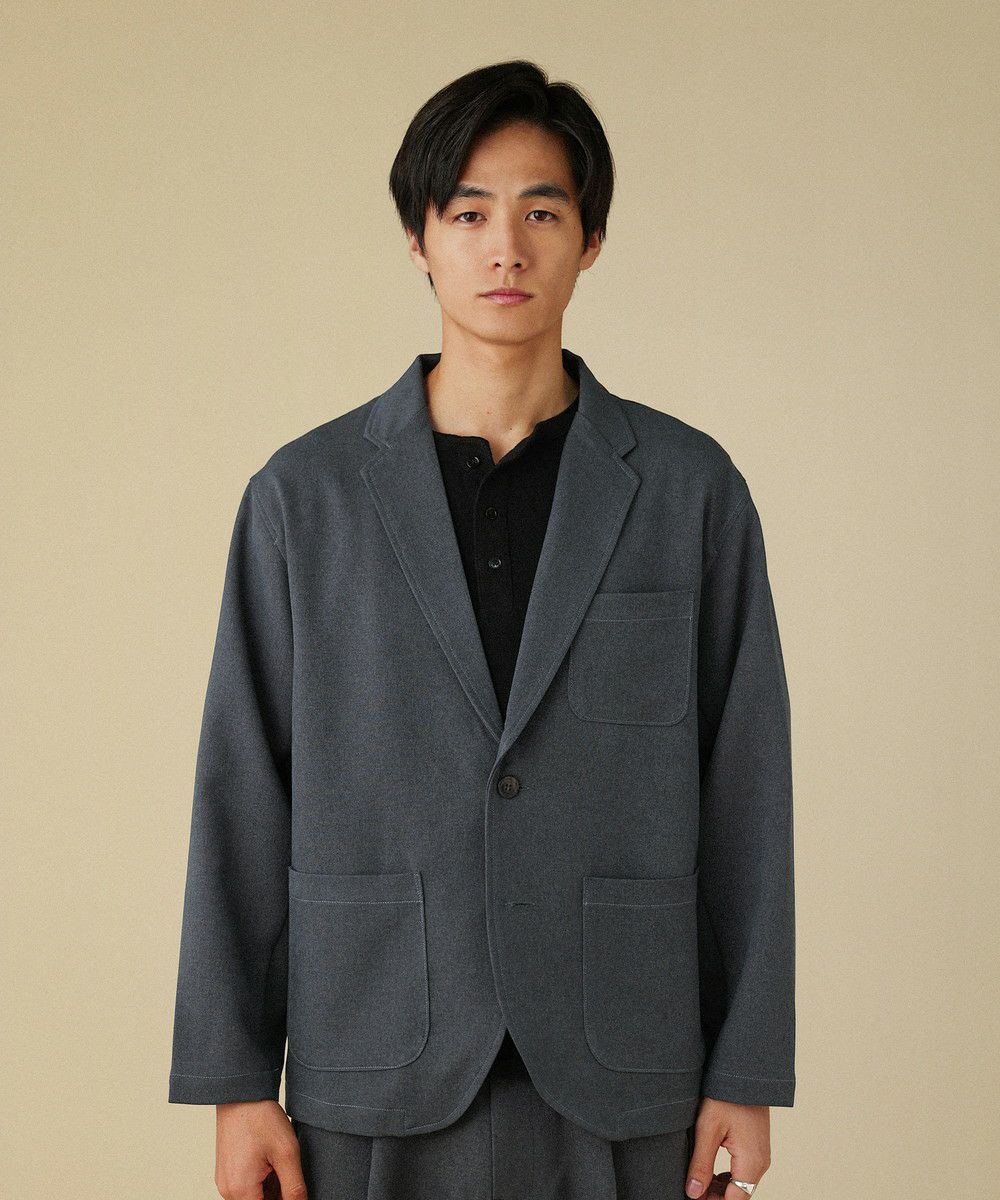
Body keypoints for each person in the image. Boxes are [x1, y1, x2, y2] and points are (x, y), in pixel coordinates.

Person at [169, 59, 795, 1200]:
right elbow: (241, 792)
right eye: (468, 214)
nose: (505, 248)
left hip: (625, 1065)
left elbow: (746, 788)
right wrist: (234, 1081)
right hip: (375, 1054)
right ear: (418, 237)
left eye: (541, 212)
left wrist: (745, 1069)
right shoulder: (303, 500)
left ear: (590, 239)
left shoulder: (689, 491)